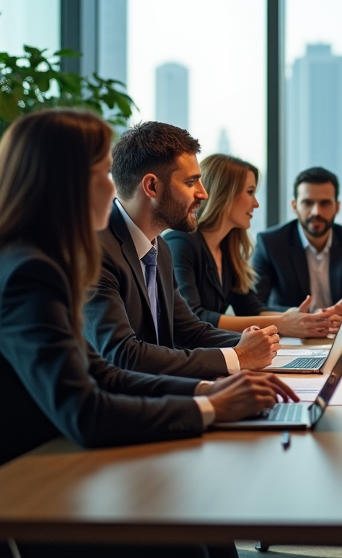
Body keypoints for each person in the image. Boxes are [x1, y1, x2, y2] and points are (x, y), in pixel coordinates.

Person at [0, 109, 297, 558]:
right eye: (102, 172)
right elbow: (85, 411)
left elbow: (98, 372)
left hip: (20, 466)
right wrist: (211, 410)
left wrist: (206, 393)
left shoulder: (34, 261)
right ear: (66, 184)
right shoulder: (26, 274)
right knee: (180, 552)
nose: (115, 183)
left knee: (200, 529)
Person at [84, 122, 280, 379]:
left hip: (159, 395)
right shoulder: (95, 251)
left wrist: (257, 343)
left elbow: (187, 329)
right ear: (152, 187)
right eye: (191, 182)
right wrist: (240, 356)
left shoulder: (159, 248)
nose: (203, 194)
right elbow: (123, 354)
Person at [169, 154, 342, 337]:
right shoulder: (181, 243)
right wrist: (282, 323)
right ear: (225, 194)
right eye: (250, 192)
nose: (256, 204)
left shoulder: (228, 250)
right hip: (189, 359)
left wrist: (312, 318)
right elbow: (194, 316)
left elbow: (250, 308)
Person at [251, 167, 342, 323]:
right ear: (294, 206)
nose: (316, 211)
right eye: (308, 203)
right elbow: (253, 306)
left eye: (325, 203)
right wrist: (305, 314)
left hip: (341, 335)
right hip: (294, 338)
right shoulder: (271, 243)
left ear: (337, 207)